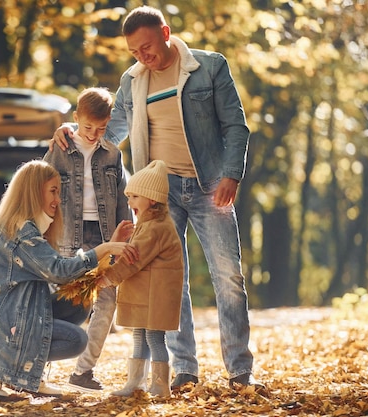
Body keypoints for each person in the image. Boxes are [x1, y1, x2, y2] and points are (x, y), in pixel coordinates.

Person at [51, 5, 266, 394]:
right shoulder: (133, 80)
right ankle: (184, 369)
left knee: (228, 278)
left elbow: (236, 125)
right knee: (169, 282)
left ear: (165, 34)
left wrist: (232, 174)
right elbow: (109, 131)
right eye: (134, 51)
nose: (142, 56)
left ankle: (239, 370)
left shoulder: (209, 67)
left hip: (209, 187)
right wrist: (72, 129)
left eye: (147, 47)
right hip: (157, 196)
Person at [0, 159, 136, 401]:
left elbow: (70, 276)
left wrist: (107, 252)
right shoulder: (21, 232)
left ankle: (24, 372)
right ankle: (2, 370)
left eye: (59, 192)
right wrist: (104, 248)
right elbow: (59, 270)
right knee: (77, 340)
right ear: (34, 192)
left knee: (78, 304)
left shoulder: (28, 228)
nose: (58, 199)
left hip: (11, 314)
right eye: (53, 191)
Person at [42, 87, 132, 393]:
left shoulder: (113, 153)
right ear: (76, 118)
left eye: (102, 128)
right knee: (53, 300)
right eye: (88, 127)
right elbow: (42, 189)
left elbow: (121, 198)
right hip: (67, 234)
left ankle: (83, 371)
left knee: (106, 301)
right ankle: (37, 367)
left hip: (104, 235)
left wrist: (125, 234)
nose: (94, 135)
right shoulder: (60, 148)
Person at [95, 160, 183, 398]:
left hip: (156, 294)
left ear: (151, 199)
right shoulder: (148, 225)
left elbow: (133, 260)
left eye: (134, 196)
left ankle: (160, 385)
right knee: (140, 335)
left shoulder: (156, 228)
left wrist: (108, 278)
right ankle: (135, 383)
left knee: (154, 338)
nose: (129, 201)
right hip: (146, 294)